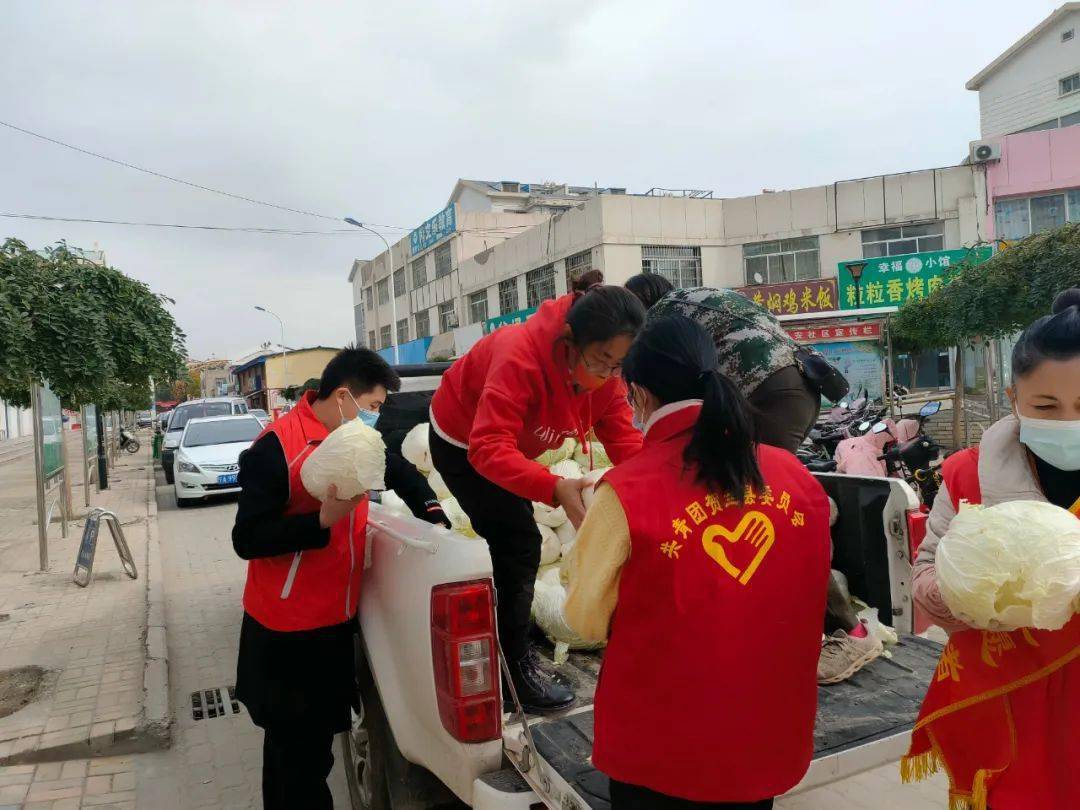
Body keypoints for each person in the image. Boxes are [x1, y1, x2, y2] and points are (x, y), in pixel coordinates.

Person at [565, 316, 831, 809]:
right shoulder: (792, 474)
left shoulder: (625, 492)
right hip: (763, 735)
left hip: (662, 750)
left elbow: (584, 619)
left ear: (638, 395)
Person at [625, 274, 878, 684]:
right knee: (755, 509)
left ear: (639, 304)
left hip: (772, 395)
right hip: (792, 387)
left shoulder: (664, 322)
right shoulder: (696, 299)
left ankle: (849, 631)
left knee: (771, 515)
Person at [429, 271, 646, 713]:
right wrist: (552, 486)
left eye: (618, 366)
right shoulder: (519, 354)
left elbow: (626, 441)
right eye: (601, 360)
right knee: (520, 541)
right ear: (570, 340)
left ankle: (509, 621)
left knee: (519, 542)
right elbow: (488, 448)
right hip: (461, 440)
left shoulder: (606, 379)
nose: (607, 376)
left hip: (517, 444)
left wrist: (662, 483)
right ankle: (513, 670)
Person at [906, 289, 1080, 809]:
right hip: (1009, 699)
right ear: (1013, 399)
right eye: (1046, 406)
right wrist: (975, 594)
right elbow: (924, 575)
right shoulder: (966, 473)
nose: (1068, 420)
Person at [232, 347, 401, 810]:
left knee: (316, 755)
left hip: (332, 624)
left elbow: (399, 470)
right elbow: (247, 538)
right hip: (286, 633)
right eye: (373, 406)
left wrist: (429, 509)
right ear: (344, 397)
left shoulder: (355, 443)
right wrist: (320, 521)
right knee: (294, 765)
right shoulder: (276, 446)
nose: (375, 417)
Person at [624, 274, 820, 453]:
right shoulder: (697, 297)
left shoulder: (660, 322)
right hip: (806, 385)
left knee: (754, 484)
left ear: (637, 303)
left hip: (767, 395)